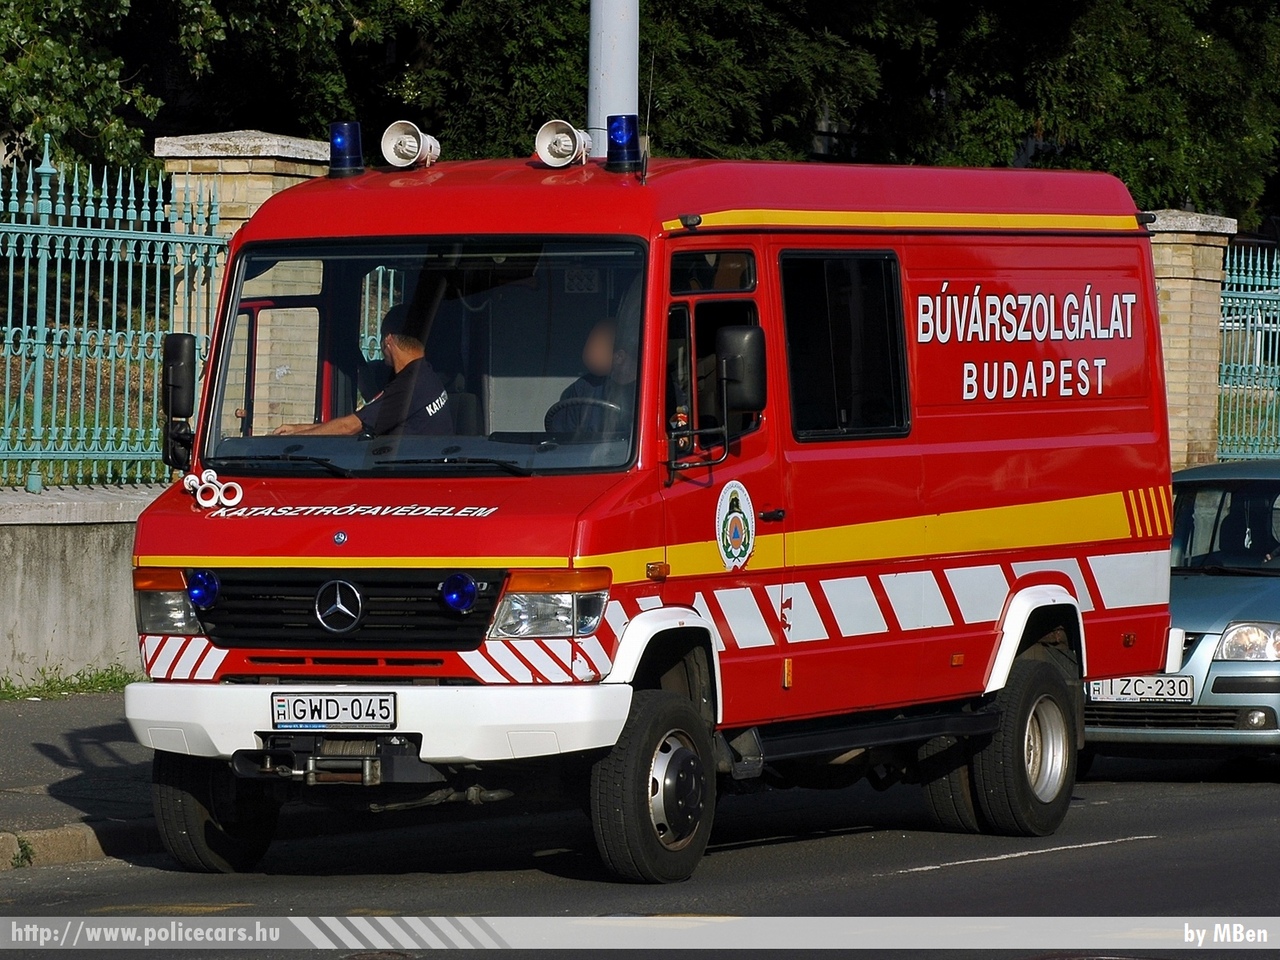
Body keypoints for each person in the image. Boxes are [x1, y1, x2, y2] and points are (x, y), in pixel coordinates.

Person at [273, 304, 452, 436]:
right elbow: (362, 418)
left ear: (388, 339)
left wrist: (296, 437)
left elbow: (349, 426)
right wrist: (299, 427)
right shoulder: (426, 375)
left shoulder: (408, 386)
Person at [549, 317, 637, 433]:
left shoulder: (650, 391)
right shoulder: (581, 389)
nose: (588, 351)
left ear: (619, 357)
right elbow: (562, 439)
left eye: (597, 347)